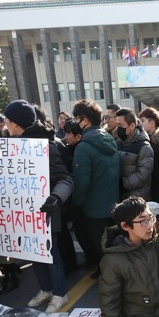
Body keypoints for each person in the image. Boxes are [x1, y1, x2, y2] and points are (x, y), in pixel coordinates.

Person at [3, 99, 74, 313]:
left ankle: (60, 294)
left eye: (7, 120)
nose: (5, 124)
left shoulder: (46, 146)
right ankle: (46, 289)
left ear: (15, 122)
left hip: (46, 211)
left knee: (51, 253)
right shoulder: (10, 146)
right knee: (34, 254)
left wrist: (55, 198)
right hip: (24, 213)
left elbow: (66, 179)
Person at [71, 99, 120, 271]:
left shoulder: (83, 147)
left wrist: (76, 203)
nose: (76, 122)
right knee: (112, 247)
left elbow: (81, 183)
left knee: (101, 250)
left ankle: (111, 283)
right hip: (113, 204)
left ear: (85, 119)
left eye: (77, 118)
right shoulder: (110, 140)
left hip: (92, 209)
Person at [116, 108, 154, 201]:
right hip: (121, 196)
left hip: (137, 197)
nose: (118, 128)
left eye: (121, 125)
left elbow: (143, 175)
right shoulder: (117, 143)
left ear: (132, 125)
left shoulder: (144, 146)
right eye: (117, 125)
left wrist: (122, 183)